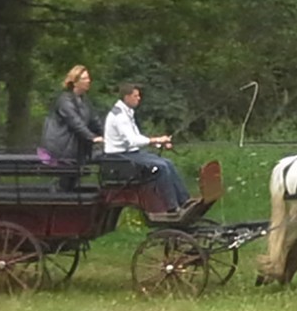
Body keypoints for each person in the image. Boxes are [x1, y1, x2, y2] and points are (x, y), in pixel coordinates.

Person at [104, 83, 190, 213]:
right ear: (126, 97)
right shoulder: (119, 116)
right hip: (120, 158)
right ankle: (172, 207)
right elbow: (133, 141)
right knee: (161, 167)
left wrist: (158, 143)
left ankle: (185, 201)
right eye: (135, 96)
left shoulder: (126, 112)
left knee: (168, 163)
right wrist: (156, 140)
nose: (139, 98)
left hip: (130, 154)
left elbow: (136, 137)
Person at [40, 64, 104, 164]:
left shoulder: (85, 100)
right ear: (75, 82)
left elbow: (94, 121)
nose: (88, 81)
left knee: (73, 177)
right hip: (62, 148)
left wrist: (107, 135)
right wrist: (93, 138)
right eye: (84, 78)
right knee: (65, 177)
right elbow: (75, 122)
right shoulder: (65, 100)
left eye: (88, 78)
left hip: (76, 149)